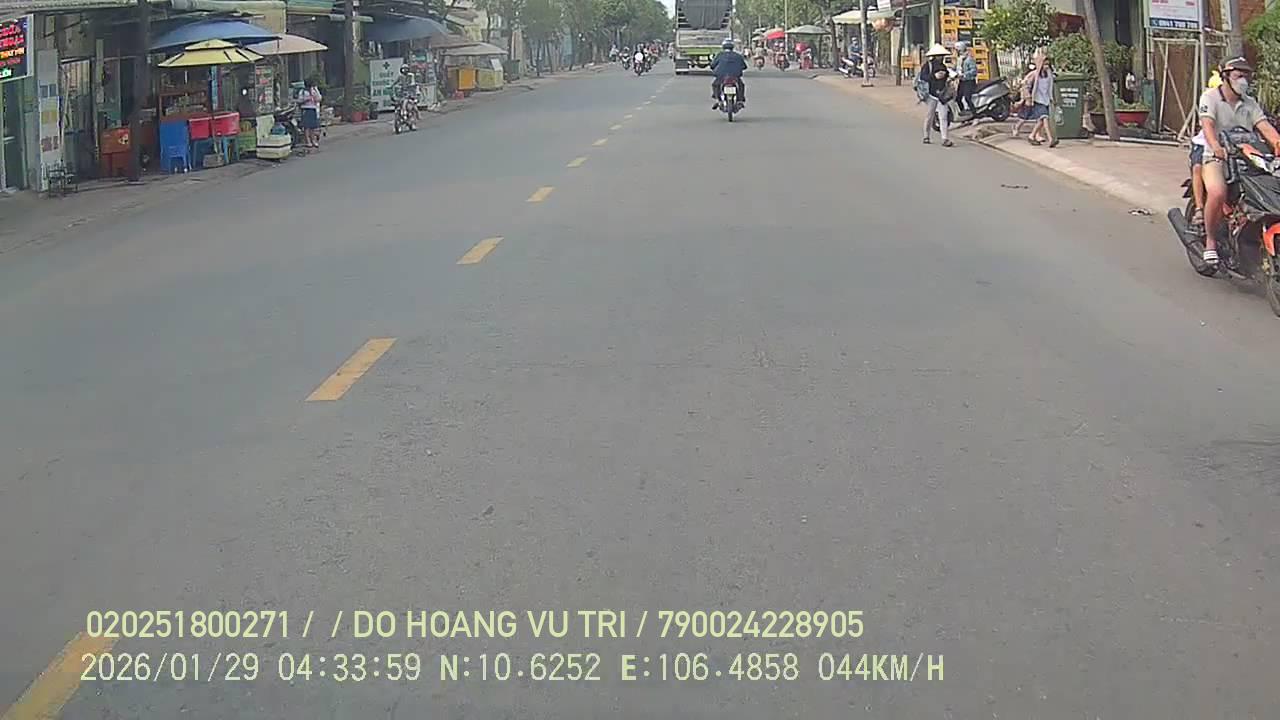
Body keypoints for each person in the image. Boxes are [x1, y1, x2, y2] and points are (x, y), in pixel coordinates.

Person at [1198, 57, 1280, 266]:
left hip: (1248, 158)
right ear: (1225, 76)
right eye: (1239, 75)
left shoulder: (1249, 103)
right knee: (1218, 192)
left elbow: (1265, 127)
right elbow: (1207, 125)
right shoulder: (1210, 97)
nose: (1244, 80)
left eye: (1246, 75)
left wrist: (1277, 143)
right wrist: (1216, 147)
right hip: (1216, 157)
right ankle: (1210, 241)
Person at [1187, 69, 1224, 235]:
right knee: (1198, 168)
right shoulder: (1209, 103)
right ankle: (1199, 208)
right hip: (1204, 145)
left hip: (1229, 148)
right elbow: (1208, 126)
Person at [918, 44, 953, 147]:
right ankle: (926, 136)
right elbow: (923, 77)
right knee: (930, 116)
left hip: (942, 95)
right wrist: (934, 76)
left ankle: (945, 138)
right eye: (939, 56)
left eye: (942, 56)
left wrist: (947, 76)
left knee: (944, 117)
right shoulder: (927, 66)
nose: (941, 57)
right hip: (931, 95)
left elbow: (947, 77)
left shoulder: (943, 66)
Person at [1026, 55, 1057, 147]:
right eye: (1044, 64)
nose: (1046, 66)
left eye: (1047, 64)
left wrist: (1052, 98)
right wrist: (1028, 97)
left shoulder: (1049, 74)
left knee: (1041, 121)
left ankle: (1031, 136)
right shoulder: (1034, 74)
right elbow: (1026, 84)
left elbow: (1050, 87)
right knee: (1045, 118)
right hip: (1038, 100)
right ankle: (1051, 139)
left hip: (1046, 100)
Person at [710, 39, 748, 109]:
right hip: (735, 76)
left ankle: (718, 99)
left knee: (715, 85)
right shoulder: (738, 56)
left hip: (721, 76)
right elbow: (744, 66)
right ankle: (740, 100)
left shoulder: (719, 55)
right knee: (741, 85)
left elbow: (712, 65)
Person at [297, 78, 322, 148]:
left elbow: (319, 98)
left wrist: (316, 91)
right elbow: (299, 100)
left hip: (313, 108)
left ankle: (313, 140)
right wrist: (306, 99)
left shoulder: (314, 91)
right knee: (306, 126)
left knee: (312, 126)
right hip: (305, 109)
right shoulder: (302, 91)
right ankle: (308, 141)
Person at [954, 41, 978, 113]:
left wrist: (965, 74)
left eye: (957, 50)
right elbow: (957, 68)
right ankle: (963, 113)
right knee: (958, 98)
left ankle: (974, 113)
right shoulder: (959, 59)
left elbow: (974, 71)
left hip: (969, 81)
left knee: (967, 97)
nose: (956, 52)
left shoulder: (969, 59)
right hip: (962, 81)